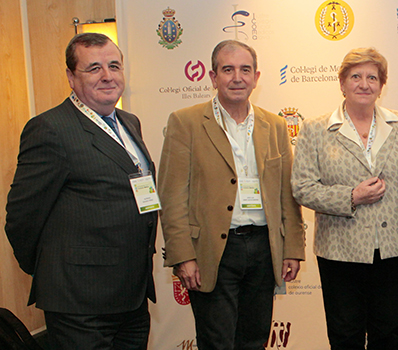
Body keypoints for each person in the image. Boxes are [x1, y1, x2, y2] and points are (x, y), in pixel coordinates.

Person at [5, 33, 157, 349]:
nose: (107, 76)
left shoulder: (129, 122)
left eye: (114, 66)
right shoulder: (51, 128)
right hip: (79, 300)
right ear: (71, 77)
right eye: (94, 68)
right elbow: (22, 218)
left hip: (131, 295)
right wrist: (56, 269)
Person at [158, 40, 306, 349]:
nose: (237, 77)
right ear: (213, 77)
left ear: (256, 77)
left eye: (245, 69)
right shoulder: (185, 122)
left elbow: (286, 193)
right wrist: (183, 255)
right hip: (212, 250)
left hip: (264, 249)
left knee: (254, 340)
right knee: (217, 342)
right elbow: (171, 197)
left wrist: (292, 247)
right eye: (227, 69)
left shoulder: (276, 125)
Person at [291, 47, 398, 349]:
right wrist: (351, 196)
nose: (364, 84)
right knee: (345, 336)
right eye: (355, 76)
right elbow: (302, 187)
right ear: (342, 83)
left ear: (382, 85)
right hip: (339, 252)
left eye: (372, 77)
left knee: (388, 333)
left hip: (392, 250)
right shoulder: (316, 129)